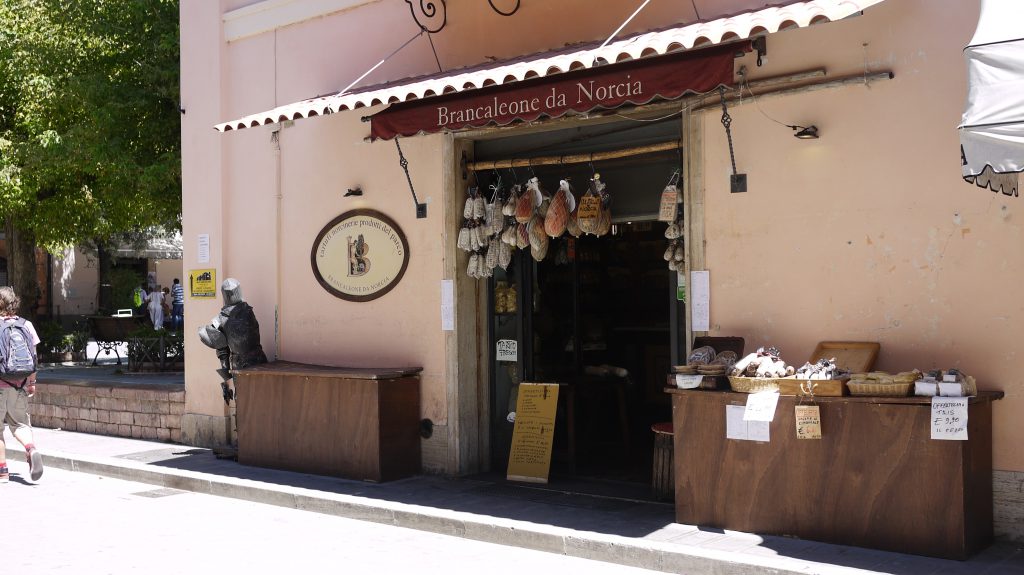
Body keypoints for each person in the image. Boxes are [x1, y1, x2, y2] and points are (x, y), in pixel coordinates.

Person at [197, 278, 267, 403]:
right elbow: (222, 351)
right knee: (257, 401)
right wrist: (226, 382)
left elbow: (223, 353)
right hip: (256, 361)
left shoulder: (221, 319)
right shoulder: (248, 311)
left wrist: (225, 382)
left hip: (245, 364)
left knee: (248, 403)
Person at [0, 286, 43, 483]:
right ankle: (31, 449)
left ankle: (2, 471)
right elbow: (33, 357)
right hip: (20, 384)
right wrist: (32, 382)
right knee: (20, 424)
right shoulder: (27, 325)